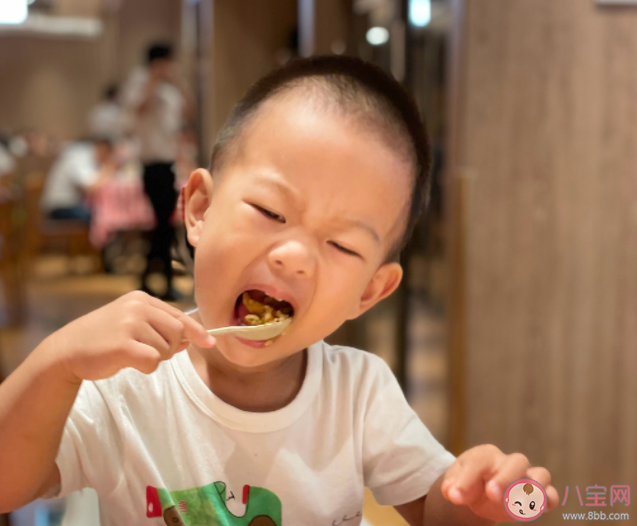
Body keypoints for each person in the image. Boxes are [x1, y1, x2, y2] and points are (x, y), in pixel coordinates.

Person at [0, 56, 559, 525]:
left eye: (341, 247)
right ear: (199, 210)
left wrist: (481, 503)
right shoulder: (123, 385)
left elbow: (435, 509)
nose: (293, 256)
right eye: (270, 211)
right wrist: (57, 365)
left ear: (369, 292)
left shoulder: (358, 395)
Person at [122, 42, 192, 302]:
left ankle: (149, 281)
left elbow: (186, 112)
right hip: (151, 166)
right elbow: (139, 107)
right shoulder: (139, 81)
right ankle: (161, 282)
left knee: (164, 226)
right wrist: (153, 77)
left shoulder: (171, 90)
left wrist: (178, 82)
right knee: (164, 225)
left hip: (168, 165)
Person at [40, 138, 116, 223]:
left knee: (106, 213)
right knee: (102, 216)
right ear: (104, 150)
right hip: (60, 207)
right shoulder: (79, 157)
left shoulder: (88, 158)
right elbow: (89, 188)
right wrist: (108, 170)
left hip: (71, 205)